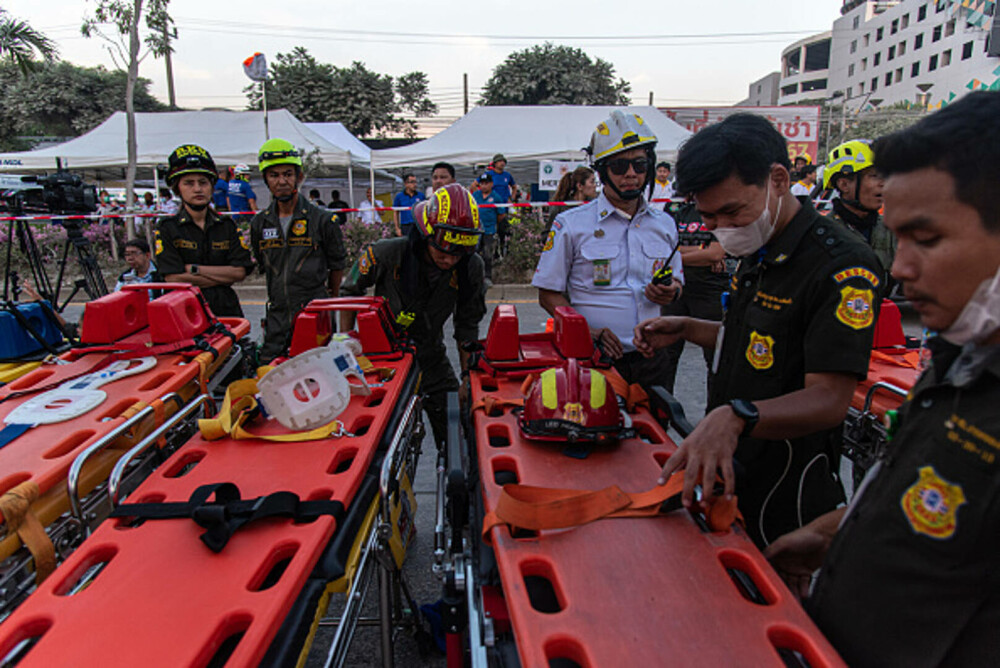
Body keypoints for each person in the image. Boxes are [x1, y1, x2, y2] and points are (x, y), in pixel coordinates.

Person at [764, 91, 1000, 668]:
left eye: (928, 239)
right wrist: (837, 536)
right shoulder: (957, 355)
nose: (899, 269)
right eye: (899, 239)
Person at [633, 113, 881, 548]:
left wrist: (736, 417)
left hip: (789, 488)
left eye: (731, 211)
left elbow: (830, 399)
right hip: (731, 471)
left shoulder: (842, 266)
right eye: (709, 217)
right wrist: (690, 327)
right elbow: (756, 342)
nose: (720, 228)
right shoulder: (760, 247)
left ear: (779, 180)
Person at [533, 110, 683, 392]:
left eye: (639, 164)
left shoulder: (665, 225)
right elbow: (547, 294)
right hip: (594, 359)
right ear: (602, 171)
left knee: (655, 433)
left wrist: (671, 290)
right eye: (619, 166)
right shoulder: (571, 224)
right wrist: (586, 332)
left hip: (653, 360)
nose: (631, 174)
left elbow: (677, 282)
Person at [340, 183, 486, 449]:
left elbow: (467, 324)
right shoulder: (387, 253)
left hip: (430, 355)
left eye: (458, 253)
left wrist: (467, 377)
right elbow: (349, 290)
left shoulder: (470, 266)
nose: (450, 260)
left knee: (460, 426)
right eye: (443, 251)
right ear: (426, 236)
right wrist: (344, 341)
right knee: (372, 440)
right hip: (381, 360)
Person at [250, 138, 347, 362]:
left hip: (314, 315)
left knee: (319, 374)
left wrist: (328, 303)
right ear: (266, 179)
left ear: (299, 177)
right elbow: (262, 263)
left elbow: (337, 265)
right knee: (268, 373)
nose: (282, 181)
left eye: (288, 174)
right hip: (276, 316)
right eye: (274, 175)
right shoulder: (259, 224)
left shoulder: (323, 220)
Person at [155, 144, 253, 317]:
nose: (198, 189)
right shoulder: (167, 228)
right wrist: (220, 276)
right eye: (189, 183)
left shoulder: (226, 225)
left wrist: (193, 269)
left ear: (212, 186)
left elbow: (239, 272)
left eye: (203, 182)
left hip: (225, 311)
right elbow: (172, 277)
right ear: (178, 189)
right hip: (183, 312)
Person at [659, 197, 728, 396]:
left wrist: (676, 257)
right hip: (677, 290)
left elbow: (715, 254)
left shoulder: (719, 210)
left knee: (714, 357)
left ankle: (714, 414)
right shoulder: (677, 211)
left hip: (710, 290)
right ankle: (663, 413)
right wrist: (700, 251)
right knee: (667, 355)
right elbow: (665, 250)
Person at [823, 139, 896, 283]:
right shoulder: (822, 233)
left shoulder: (891, 229)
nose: (883, 183)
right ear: (844, 184)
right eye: (874, 176)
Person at [473, 173, 501, 283]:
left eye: (486, 183)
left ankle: (488, 277)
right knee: (474, 253)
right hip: (477, 230)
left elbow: (501, 214)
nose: (484, 186)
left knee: (487, 254)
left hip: (490, 230)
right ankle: (475, 276)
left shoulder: (496, 197)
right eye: (482, 183)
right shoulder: (475, 195)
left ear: (491, 184)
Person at [393, 173, 424, 238]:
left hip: (418, 226)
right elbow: (395, 212)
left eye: (415, 182)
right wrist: (397, 228)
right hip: (406, 226)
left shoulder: (421, 196)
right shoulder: (399, 197)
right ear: (406, 184)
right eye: (412, 182)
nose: (415, 184)